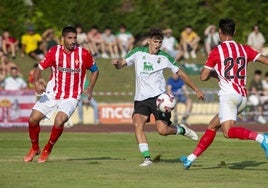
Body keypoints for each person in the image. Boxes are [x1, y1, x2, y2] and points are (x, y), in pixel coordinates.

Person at [180, 18, 268, 170]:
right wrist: (219, 74)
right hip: (242, 98)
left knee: (228, 132)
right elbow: (265, 60)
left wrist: (211, 71)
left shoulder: (216, 51)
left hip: (229, 97)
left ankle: (262, 138)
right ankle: (190, 159)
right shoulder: (244, 49)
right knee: (213, 126)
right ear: (234, 32)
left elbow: (203, 76)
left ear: (220, 33)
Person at [111, 28, 205, 167]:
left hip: (159, 99)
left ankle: (181, 129)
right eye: (155, 41)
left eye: (160, 42)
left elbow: (182, 74)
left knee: (162, 131)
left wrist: (197, 90)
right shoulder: (138, 52)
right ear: (148, 41)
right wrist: (117, 63)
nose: (157, 45)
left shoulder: (165, 57)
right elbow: (122, 64)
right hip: (141, 99)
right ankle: (147, 158)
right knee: (137, 123)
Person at [23, 26, 99, 163]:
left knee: (60, 120)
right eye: (70, 38)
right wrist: (36, 82)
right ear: (62, 39)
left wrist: (90, 88)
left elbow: (95, 70)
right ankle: (35, 148)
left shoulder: (83, 54)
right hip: (53, 93)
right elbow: (39, 69)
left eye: (75, 38)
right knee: (32, 119)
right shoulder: (54, 52)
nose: (73, 41)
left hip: (72, 96)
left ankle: (47, 149)